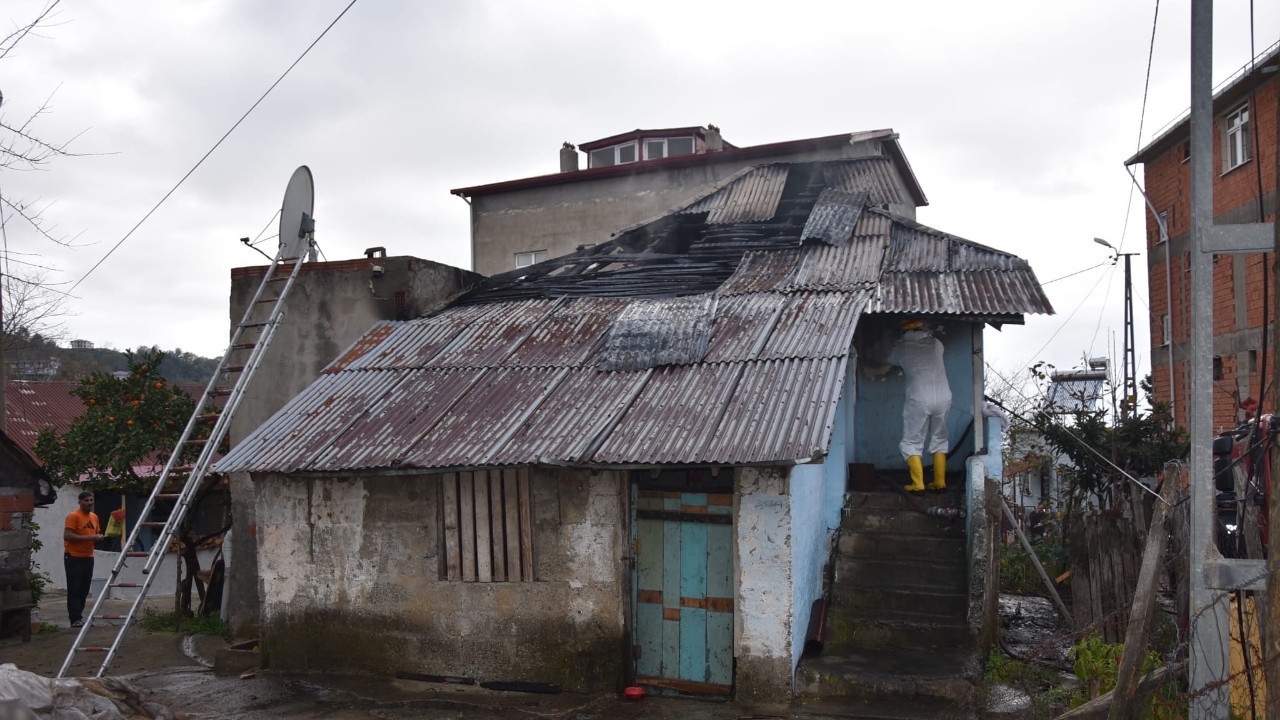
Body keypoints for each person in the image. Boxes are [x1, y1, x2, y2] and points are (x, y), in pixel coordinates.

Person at [887, 318, 952, 492]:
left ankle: (918, 484)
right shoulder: (937, 344)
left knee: (911, 440)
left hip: (919, 397)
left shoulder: (902, 347)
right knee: (940, 438)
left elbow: (890, 360)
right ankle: (940, 482)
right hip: (944, 396)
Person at [64, 491, 103, 627]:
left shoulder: (94, 517)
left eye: (91, 500)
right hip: (73, 556)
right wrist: (89, 538)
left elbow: (95, 533)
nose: (89, 503)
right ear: (79, 502)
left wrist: (99, 537)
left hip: (88, 556)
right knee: (74, 588)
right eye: (86, 500)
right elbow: (68, 536)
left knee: (84, 589)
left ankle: (79, 616)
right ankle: (75, 618)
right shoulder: (73, 516)